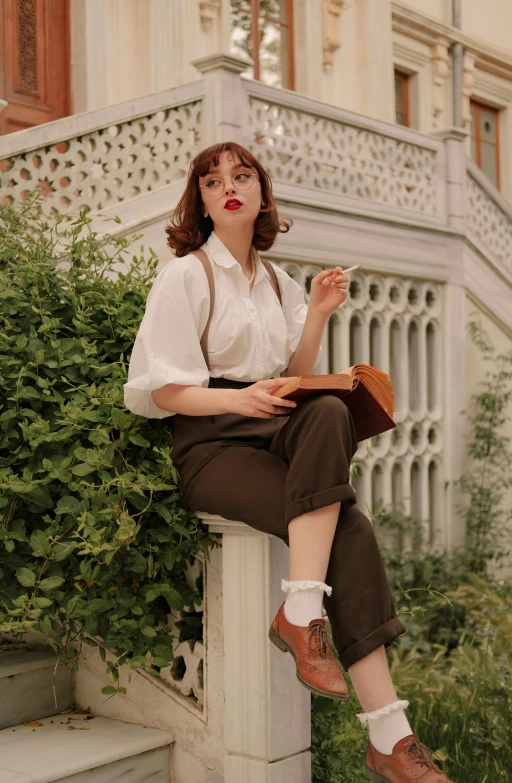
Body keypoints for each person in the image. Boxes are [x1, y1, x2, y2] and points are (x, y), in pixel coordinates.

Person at [124, 141, 453, 782]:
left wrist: (319, 314)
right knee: (350, 528)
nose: (229, 187)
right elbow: (158, 390)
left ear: (263, 195)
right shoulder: (187, 274)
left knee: (328, 410)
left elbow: (294, 378)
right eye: (213, 181)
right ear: (201, 200)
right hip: (212, 443)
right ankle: (388, 734)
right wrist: (236, 399)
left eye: (242, 176)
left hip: (273, 426)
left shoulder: (277, 282)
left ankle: (303, 612)